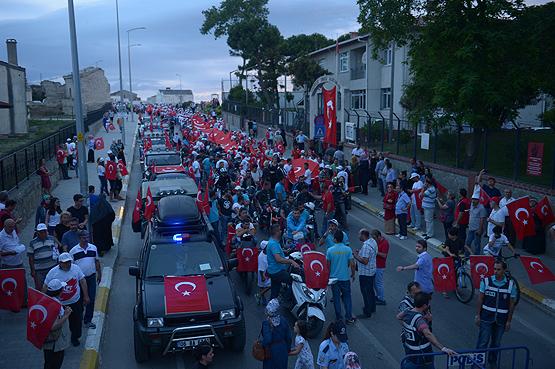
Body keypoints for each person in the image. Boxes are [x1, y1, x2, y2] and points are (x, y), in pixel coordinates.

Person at [475, 260, 517, 368]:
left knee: (496, 343)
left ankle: (492, 362)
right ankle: (478, 364)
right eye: (494, 269)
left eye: (498, 269)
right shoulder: (486, 281)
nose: (495, 271)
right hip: (486, 318)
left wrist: (509, 321)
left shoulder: (511, 285)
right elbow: (480, 299)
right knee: (483, 342)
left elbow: (511, 305)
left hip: (501, 320)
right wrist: (478, 315)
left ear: (504, 270)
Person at [398, 292, 456, 369]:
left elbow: (398, 317)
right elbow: (428, 334)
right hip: (423, 356)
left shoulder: (407, 311)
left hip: (410, 354)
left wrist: (408, 327)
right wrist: (443, 348)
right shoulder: (419, 320)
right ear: (424, 305)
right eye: (428, 303)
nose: (429, 305)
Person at [43, 252, 90, 347]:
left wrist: (86, 296)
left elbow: (82, 281)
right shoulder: (53, 272)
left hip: (75, 301)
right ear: (59, 263)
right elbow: (45, 286)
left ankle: (75, 337)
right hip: (59, 304)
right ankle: (61, 341)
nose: (67, 264)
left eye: (68, 262)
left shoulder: (76, 268)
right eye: (64, 262)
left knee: (77, 321)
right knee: (60, 324)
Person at [69, 230, 101, 329]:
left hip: (91, 278)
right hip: (79, 280)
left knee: (91, 299)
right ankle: (79, 319)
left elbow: (96, 261)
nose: (86, 239)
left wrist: (99, 274)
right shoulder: (73, 251)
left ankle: (88, 320)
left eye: (87, 237)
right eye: (84, 238)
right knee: (80, 300)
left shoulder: (93, 248)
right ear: (79, 238)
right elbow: (71, 267)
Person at [327, 230, 356, 324]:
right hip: (345, 278)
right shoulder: (348, 250)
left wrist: (328, 276)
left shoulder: (330, 250)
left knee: (336, 298)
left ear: (334, 239)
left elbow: (328, 265)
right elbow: (352, 264)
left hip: (334, 279)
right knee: (347, 297)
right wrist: (353, 274)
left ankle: (339, 318)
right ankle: (348, 317)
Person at [43, 279, 72, 369]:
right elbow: (53, 326)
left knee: (48, 362)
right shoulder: (55, 305)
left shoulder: (45, 300)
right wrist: (66, 314)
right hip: (56, 342)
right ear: (59, 291)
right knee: (55, 364)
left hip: (47, 340)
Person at [267, 224, 299, 299]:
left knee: (274, 292)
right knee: (294, 283)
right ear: (277, 232)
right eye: (280, 230)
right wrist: (291, 261)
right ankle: (286, 298)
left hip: (273, 271)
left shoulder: (273, 241)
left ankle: (271, 308)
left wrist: (284, 251)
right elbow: (278, 259)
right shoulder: (273, 244)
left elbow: (276, 252)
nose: (281, 231)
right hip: (277, 271)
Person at [28, 223, 62, 289]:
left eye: (44, 231)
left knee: (52, 287)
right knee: (40, 287)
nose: (43, 233)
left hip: (52, 268)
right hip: (39, 270)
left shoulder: (52, 239)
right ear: (37, 232)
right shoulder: (32, 243)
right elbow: (30, 257)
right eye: (41, 232)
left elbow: (57, 249)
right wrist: (32, 270)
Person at [352, 228, 376, 319]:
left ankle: (367, 311)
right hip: (372, 271)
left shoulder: (366, 246)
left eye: (359, 234)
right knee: (370, 291)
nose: (358, 236)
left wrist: (355, 255)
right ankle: (372, 307)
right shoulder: (372, 242)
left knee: (365, 292)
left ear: (363, 235)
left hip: (365, 273)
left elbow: (365, 261)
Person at [261, 299, 291, 369]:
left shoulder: (266, 323)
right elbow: (289, 337)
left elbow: (267, 339)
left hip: (272, 350)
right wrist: (288, 349)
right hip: (283, 348)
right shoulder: (283, 320)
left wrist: (262, 345)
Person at [372, 229, 389, 305]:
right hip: (375, 264)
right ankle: (379, 296)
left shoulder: (385, 243)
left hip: (380, 266)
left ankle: (381, 299)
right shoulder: (376, 242)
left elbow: (384, 255)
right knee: (375, 283)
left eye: (375, 238)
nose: (374, 240)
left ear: (379, 236)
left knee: (378, 283)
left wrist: (375, 251)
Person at [256, 240, 271, 306]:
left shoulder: (268, 253)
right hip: (264, 274)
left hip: (267, 272)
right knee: (270, 285)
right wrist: (263, 277)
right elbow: (261, 269)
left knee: (262, 286)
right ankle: (259, 295)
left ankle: (262, 298)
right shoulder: (261, 257)